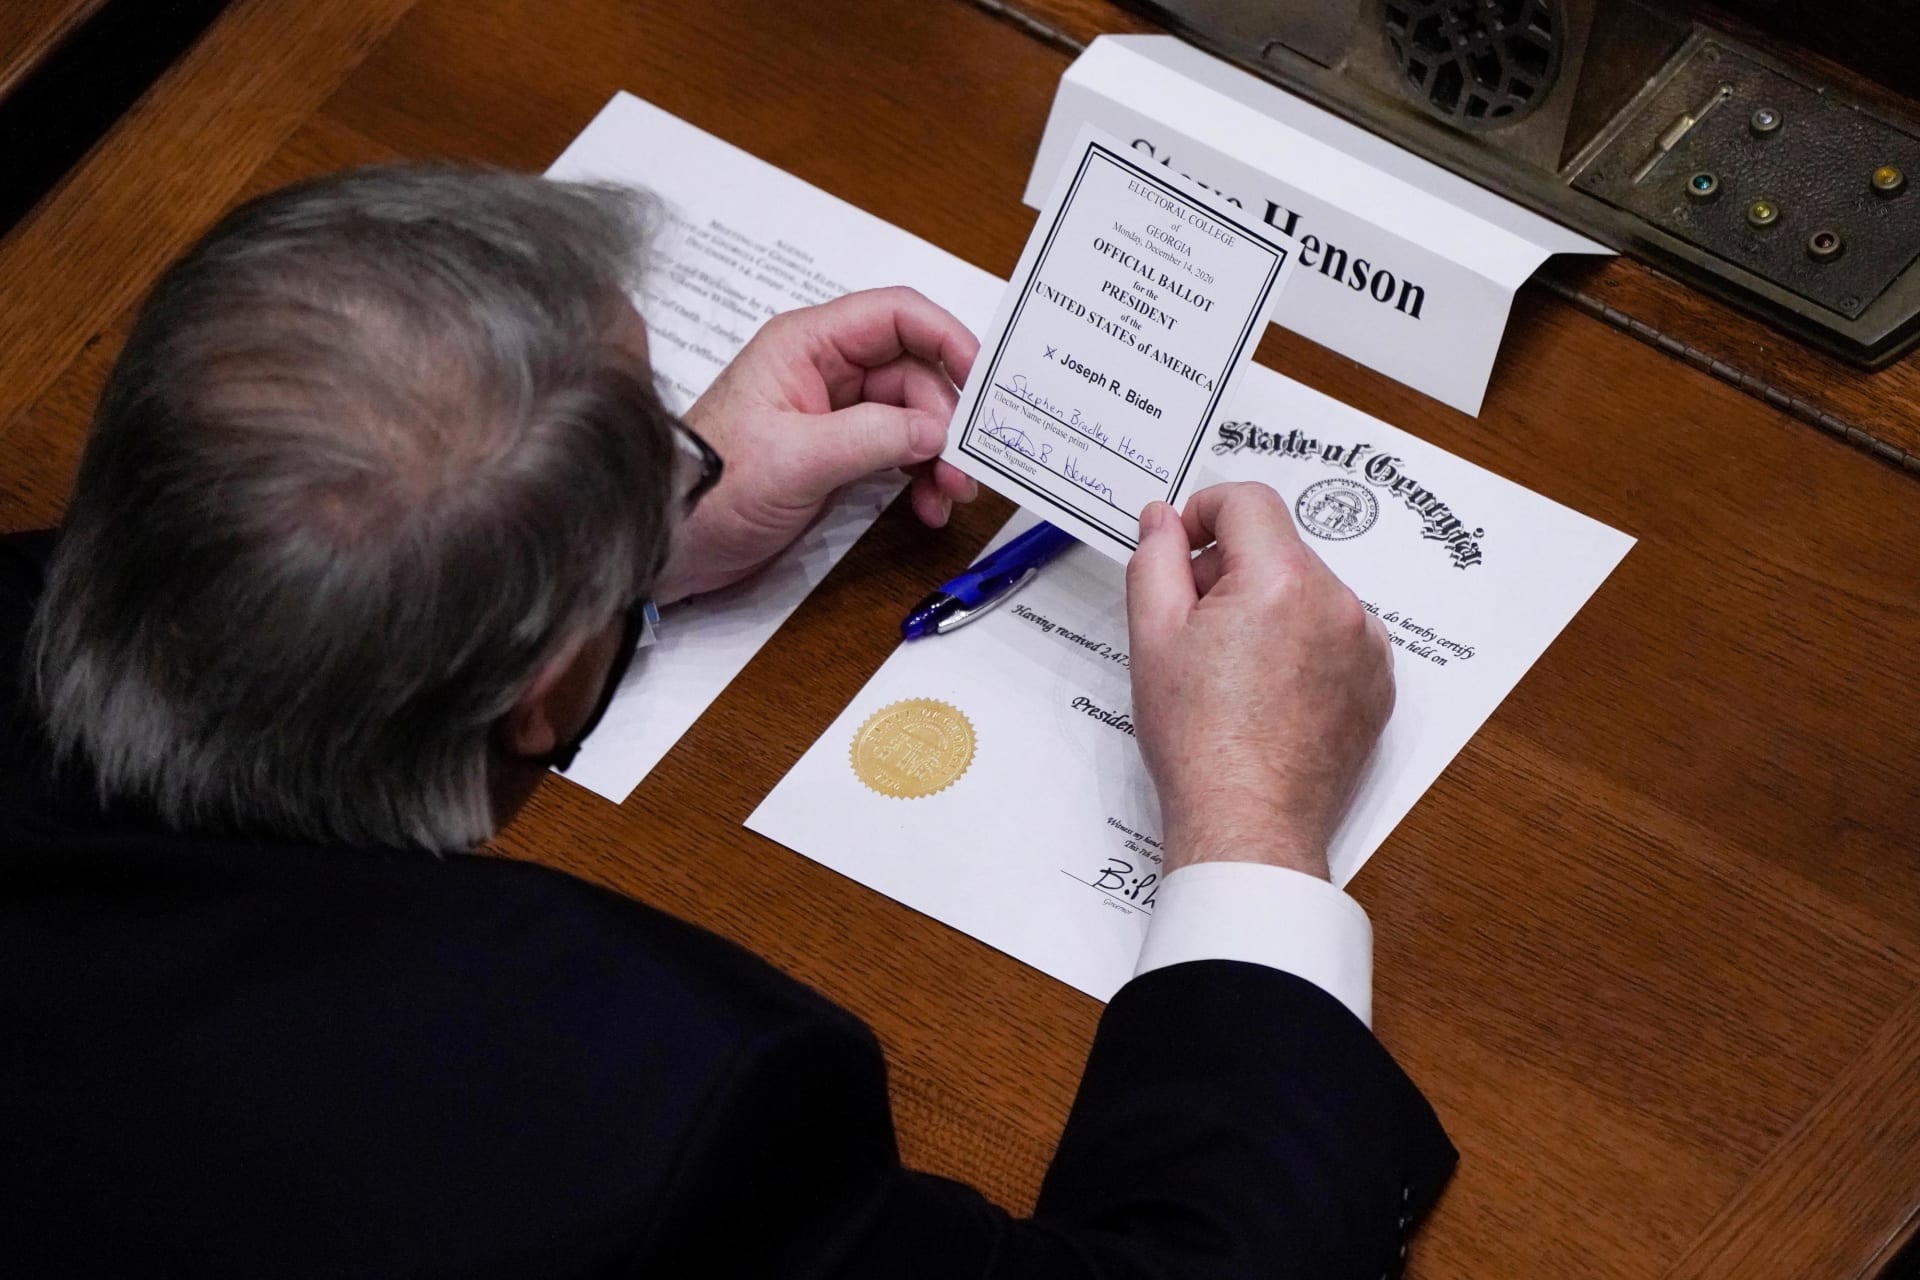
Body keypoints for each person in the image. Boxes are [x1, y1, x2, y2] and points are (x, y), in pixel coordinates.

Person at [0, 166, 1454, 1277]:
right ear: (541, 698)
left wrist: (575, 559)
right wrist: (1255, 817)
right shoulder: (640, 1118)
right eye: (663, 448)